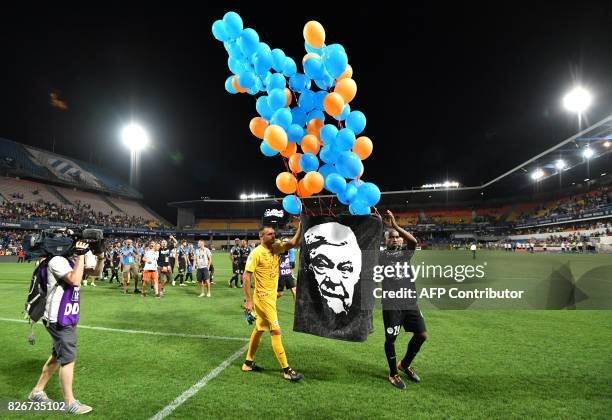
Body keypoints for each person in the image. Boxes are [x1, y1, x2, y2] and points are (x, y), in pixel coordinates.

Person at [28, 239, 93, 414]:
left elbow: (93, 272)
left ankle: (37, 391)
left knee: (58, 355)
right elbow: (75, 279)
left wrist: (98, 255)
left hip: (64, 314)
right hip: (59, 318)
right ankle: (69, 402)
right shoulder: (57, 260)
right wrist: (80, 256)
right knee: (68, 358)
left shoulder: (64, 259)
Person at [241, 224, 303, 382]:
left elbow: (294, 243)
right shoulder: (256, 253)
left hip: (270, 298)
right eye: (269, 234)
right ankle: (286, 370)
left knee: (260, 329)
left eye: (274, 234)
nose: (273, 236)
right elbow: (246, 277)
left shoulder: (276, 248)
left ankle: (248, 363)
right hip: (262, 298)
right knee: (276, 331)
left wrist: (301, 225)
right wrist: (248, 301)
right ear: (261, 236)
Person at [380, 210, 427, 390]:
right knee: (391, 339)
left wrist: (396, 226)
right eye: (391, 237)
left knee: (422, 335)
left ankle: (404, 364)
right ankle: (393, 373)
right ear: (386, 241)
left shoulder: (405, 254)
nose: (396, 239)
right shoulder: (381, 256)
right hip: (392, 304)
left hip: (410, 302)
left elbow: (414, 242)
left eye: (397, 237)